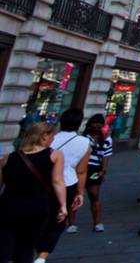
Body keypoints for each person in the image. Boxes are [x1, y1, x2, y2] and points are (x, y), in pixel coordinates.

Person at [0, 122, 67, 262]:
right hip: (35, 208)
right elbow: (58, 181)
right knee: (25, 248)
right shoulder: (54, 155)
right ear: (44, 136)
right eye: (52, 136)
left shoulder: (8, 157)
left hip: (7, 207)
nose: (53, 140)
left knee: (3, 246)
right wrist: (63, 205)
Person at [37, 108, 88, 258]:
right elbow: (81, 171)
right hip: (68, 184)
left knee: (37, 218)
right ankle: (41, 256)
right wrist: (80, 192)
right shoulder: (84, 143)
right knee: (57, 222)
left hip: (42, 184)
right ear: (79, 124)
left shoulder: (50, 139)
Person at [83, 114, 111, 232]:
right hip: (81, 169)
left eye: (100, 123)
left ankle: (97, 222)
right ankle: (71, 223)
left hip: (95, 170)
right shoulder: (83, 138)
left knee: (94, 195)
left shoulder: (106, 139)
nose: (97, 125)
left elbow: (106, 155)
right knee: (74, 196)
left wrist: (103, 170)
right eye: (95, 123)